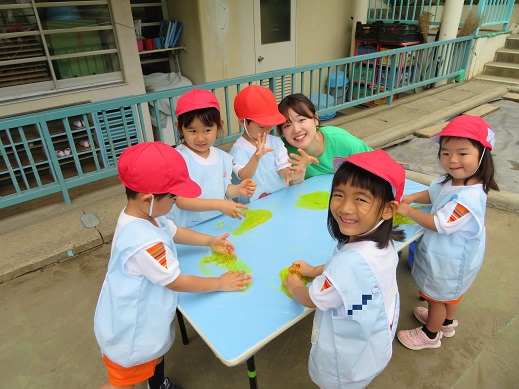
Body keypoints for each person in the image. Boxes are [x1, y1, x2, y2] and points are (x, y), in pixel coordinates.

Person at [94, 142, 252, 389]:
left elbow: (174, 230)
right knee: (120, 384)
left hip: (146, 321)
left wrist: (209, 240)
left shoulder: (146, 215)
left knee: (154, 360)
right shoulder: (143, 241)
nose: (177, 200)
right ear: (148, 199)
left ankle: (157, 385)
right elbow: (177, 281)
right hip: (131, 333)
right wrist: (220, 282)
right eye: (173, 196)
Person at [284, 149, 405, 389]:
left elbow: (312, 298)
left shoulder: (351, 264)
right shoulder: (382, 242)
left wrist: (296, 285)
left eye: (360, 199)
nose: (345, 208)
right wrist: (314, 270)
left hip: (343, 363)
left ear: (388, 209)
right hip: (371, 342)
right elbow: (341, 273)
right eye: (339, 194)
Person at [396, 115, 499, 351]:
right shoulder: (454, 180)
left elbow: (440, 223)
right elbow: (433, 193)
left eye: (462, 153)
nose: (452, 160)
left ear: (482, 155)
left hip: (451, 261)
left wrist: (408, 210)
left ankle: (430, 334)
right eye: (445, 152)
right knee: (451, 294)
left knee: (437, 298)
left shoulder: (468, 198)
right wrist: (412, 197)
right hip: (454, 257)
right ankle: (446, 322)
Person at [166, 88, 256, 227]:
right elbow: (181, 201)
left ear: (219, 125)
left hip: (220, 222)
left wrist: (238, 189)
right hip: (190, 228)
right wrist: (219, 205)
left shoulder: (223, 157)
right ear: (179, 127)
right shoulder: (176, 158)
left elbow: (224, 190)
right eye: (192, 131)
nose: (200, 137)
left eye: (207, 130)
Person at [230, 85, 317, 202]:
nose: (267, 130)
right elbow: (245, 176)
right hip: (253, 208)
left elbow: (283, 171)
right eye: (261, 126)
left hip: (281, 200)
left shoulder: (276, 142)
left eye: (270, 124)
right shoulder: (237, 151)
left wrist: (296, 171)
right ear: (242, 121)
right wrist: (256, 157)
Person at [277, 93, 372, 179]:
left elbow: (376, 165)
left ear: (315, 119)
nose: (296, 129)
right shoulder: (281, 152)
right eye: (287, 125)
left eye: (301, 120)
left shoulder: (341, 140)